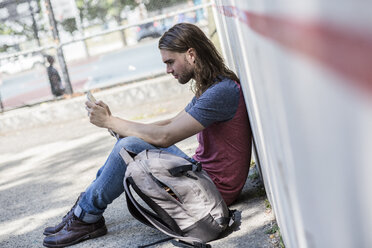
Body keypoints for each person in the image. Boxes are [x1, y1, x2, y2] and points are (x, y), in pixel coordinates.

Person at [42, 23, 252, 247]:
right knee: (128, 142)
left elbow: (166, 136)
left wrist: (113, 123)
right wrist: (119, 125)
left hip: (214, 191)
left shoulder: (222, 91)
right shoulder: (214, 87)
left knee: (130, 144)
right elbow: (170, 122)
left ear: (191, 54)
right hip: (204, 178)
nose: (168, 70)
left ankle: (85, 216)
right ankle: (83, 211)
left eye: (170, 62)